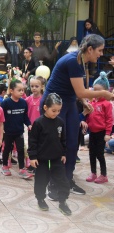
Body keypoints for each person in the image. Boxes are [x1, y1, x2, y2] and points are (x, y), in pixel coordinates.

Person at [41, 34, 113, 198]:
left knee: (72, 144)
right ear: (90, 49)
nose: (101, 54)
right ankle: (54, 185)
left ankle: (67, 180)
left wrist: (83, 100)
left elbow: (77, 90)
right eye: (100, 50)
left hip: (69, 102)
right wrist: (103, 93)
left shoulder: (81, 61)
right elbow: (80, 90)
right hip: (54, 105)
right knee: (58, 145)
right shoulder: (73, 61)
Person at [28, 93, 71, 216]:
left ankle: (62, 202)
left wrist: (63, 153)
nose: (56, 113)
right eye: (54, 110)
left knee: (63, 181)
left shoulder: (60, 122)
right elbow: (33, 141)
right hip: (41, 160)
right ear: (45, 108)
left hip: (57, 159)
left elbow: (63, 139)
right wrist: (32, 156)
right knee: (41, 181)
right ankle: (41, 199)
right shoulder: (38, 123)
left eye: (59, 110)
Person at [0, 80, 33, 179]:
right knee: (7, 149)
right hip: (8, 132)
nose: (22, 92)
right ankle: (5, 166)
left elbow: (25, 116)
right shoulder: (6, 103)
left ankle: (22, 169)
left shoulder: (23, 103)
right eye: (19, 90)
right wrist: (1, 129)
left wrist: (29, 124)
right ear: (11, 91)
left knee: (21, 150)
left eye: (23, 90)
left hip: (19, 131)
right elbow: (1, 116)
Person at [85, 73, 112, 184]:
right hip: (92, 132)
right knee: (91, 153)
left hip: (101, 133)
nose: (96, 93)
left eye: (99, 91)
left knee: (99, 154)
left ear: (105, 91)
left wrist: (108, 133)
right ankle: (93, 172)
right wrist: (85, 122)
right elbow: (88, 115)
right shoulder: (92, 102)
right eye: (94, 91)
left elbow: (109, 120)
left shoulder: (107, 104)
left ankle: (104, 174)